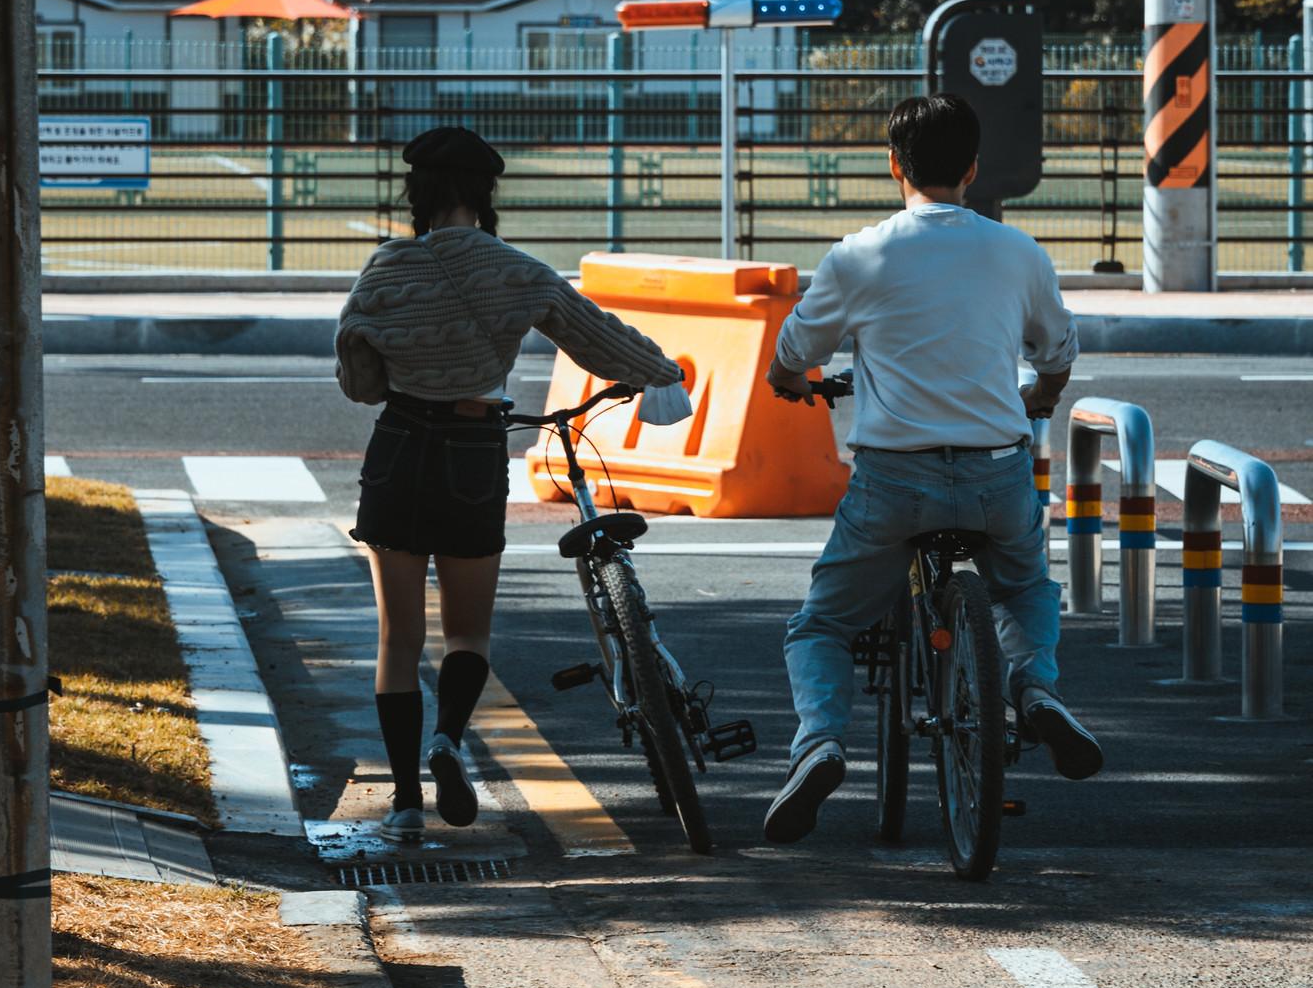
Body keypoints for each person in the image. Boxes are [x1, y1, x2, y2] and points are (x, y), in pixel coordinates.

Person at [761, 91, 1103, 847]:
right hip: (995, 472)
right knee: (1023, 587)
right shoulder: (1017, 252)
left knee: (820, 624)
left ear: (893, 167)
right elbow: (1056, 350)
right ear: (973, 170)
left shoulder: (859, 254)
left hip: (894, 480)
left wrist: (790, 382)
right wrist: (1040, 393)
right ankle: (1034, 690)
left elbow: (796, 351)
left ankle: (818, 743)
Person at [335, 124, 682, 842]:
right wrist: (662, 371)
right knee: (466, 631)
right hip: (470, 452)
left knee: (399, 638)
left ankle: (404, 801)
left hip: (398, 449)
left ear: (416, 195)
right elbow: (599, 337)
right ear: (486, 195)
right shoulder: (517, 271)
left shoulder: (385, 270)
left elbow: (360, 384)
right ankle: (450, 741)